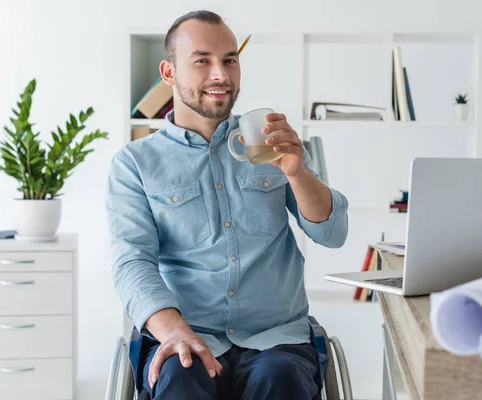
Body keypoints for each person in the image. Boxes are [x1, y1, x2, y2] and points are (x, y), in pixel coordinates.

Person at [106, 9, 349, 400]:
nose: (221, 75)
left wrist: (297, 171)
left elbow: (333, 233)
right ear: (168, 73)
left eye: (230, 60)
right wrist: (173, 330)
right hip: (184, 333)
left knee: (280, 379)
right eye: (202, 60)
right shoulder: (134, 164)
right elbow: (132, 261)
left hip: (277, 340)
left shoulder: (275, 142)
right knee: (180, 383)